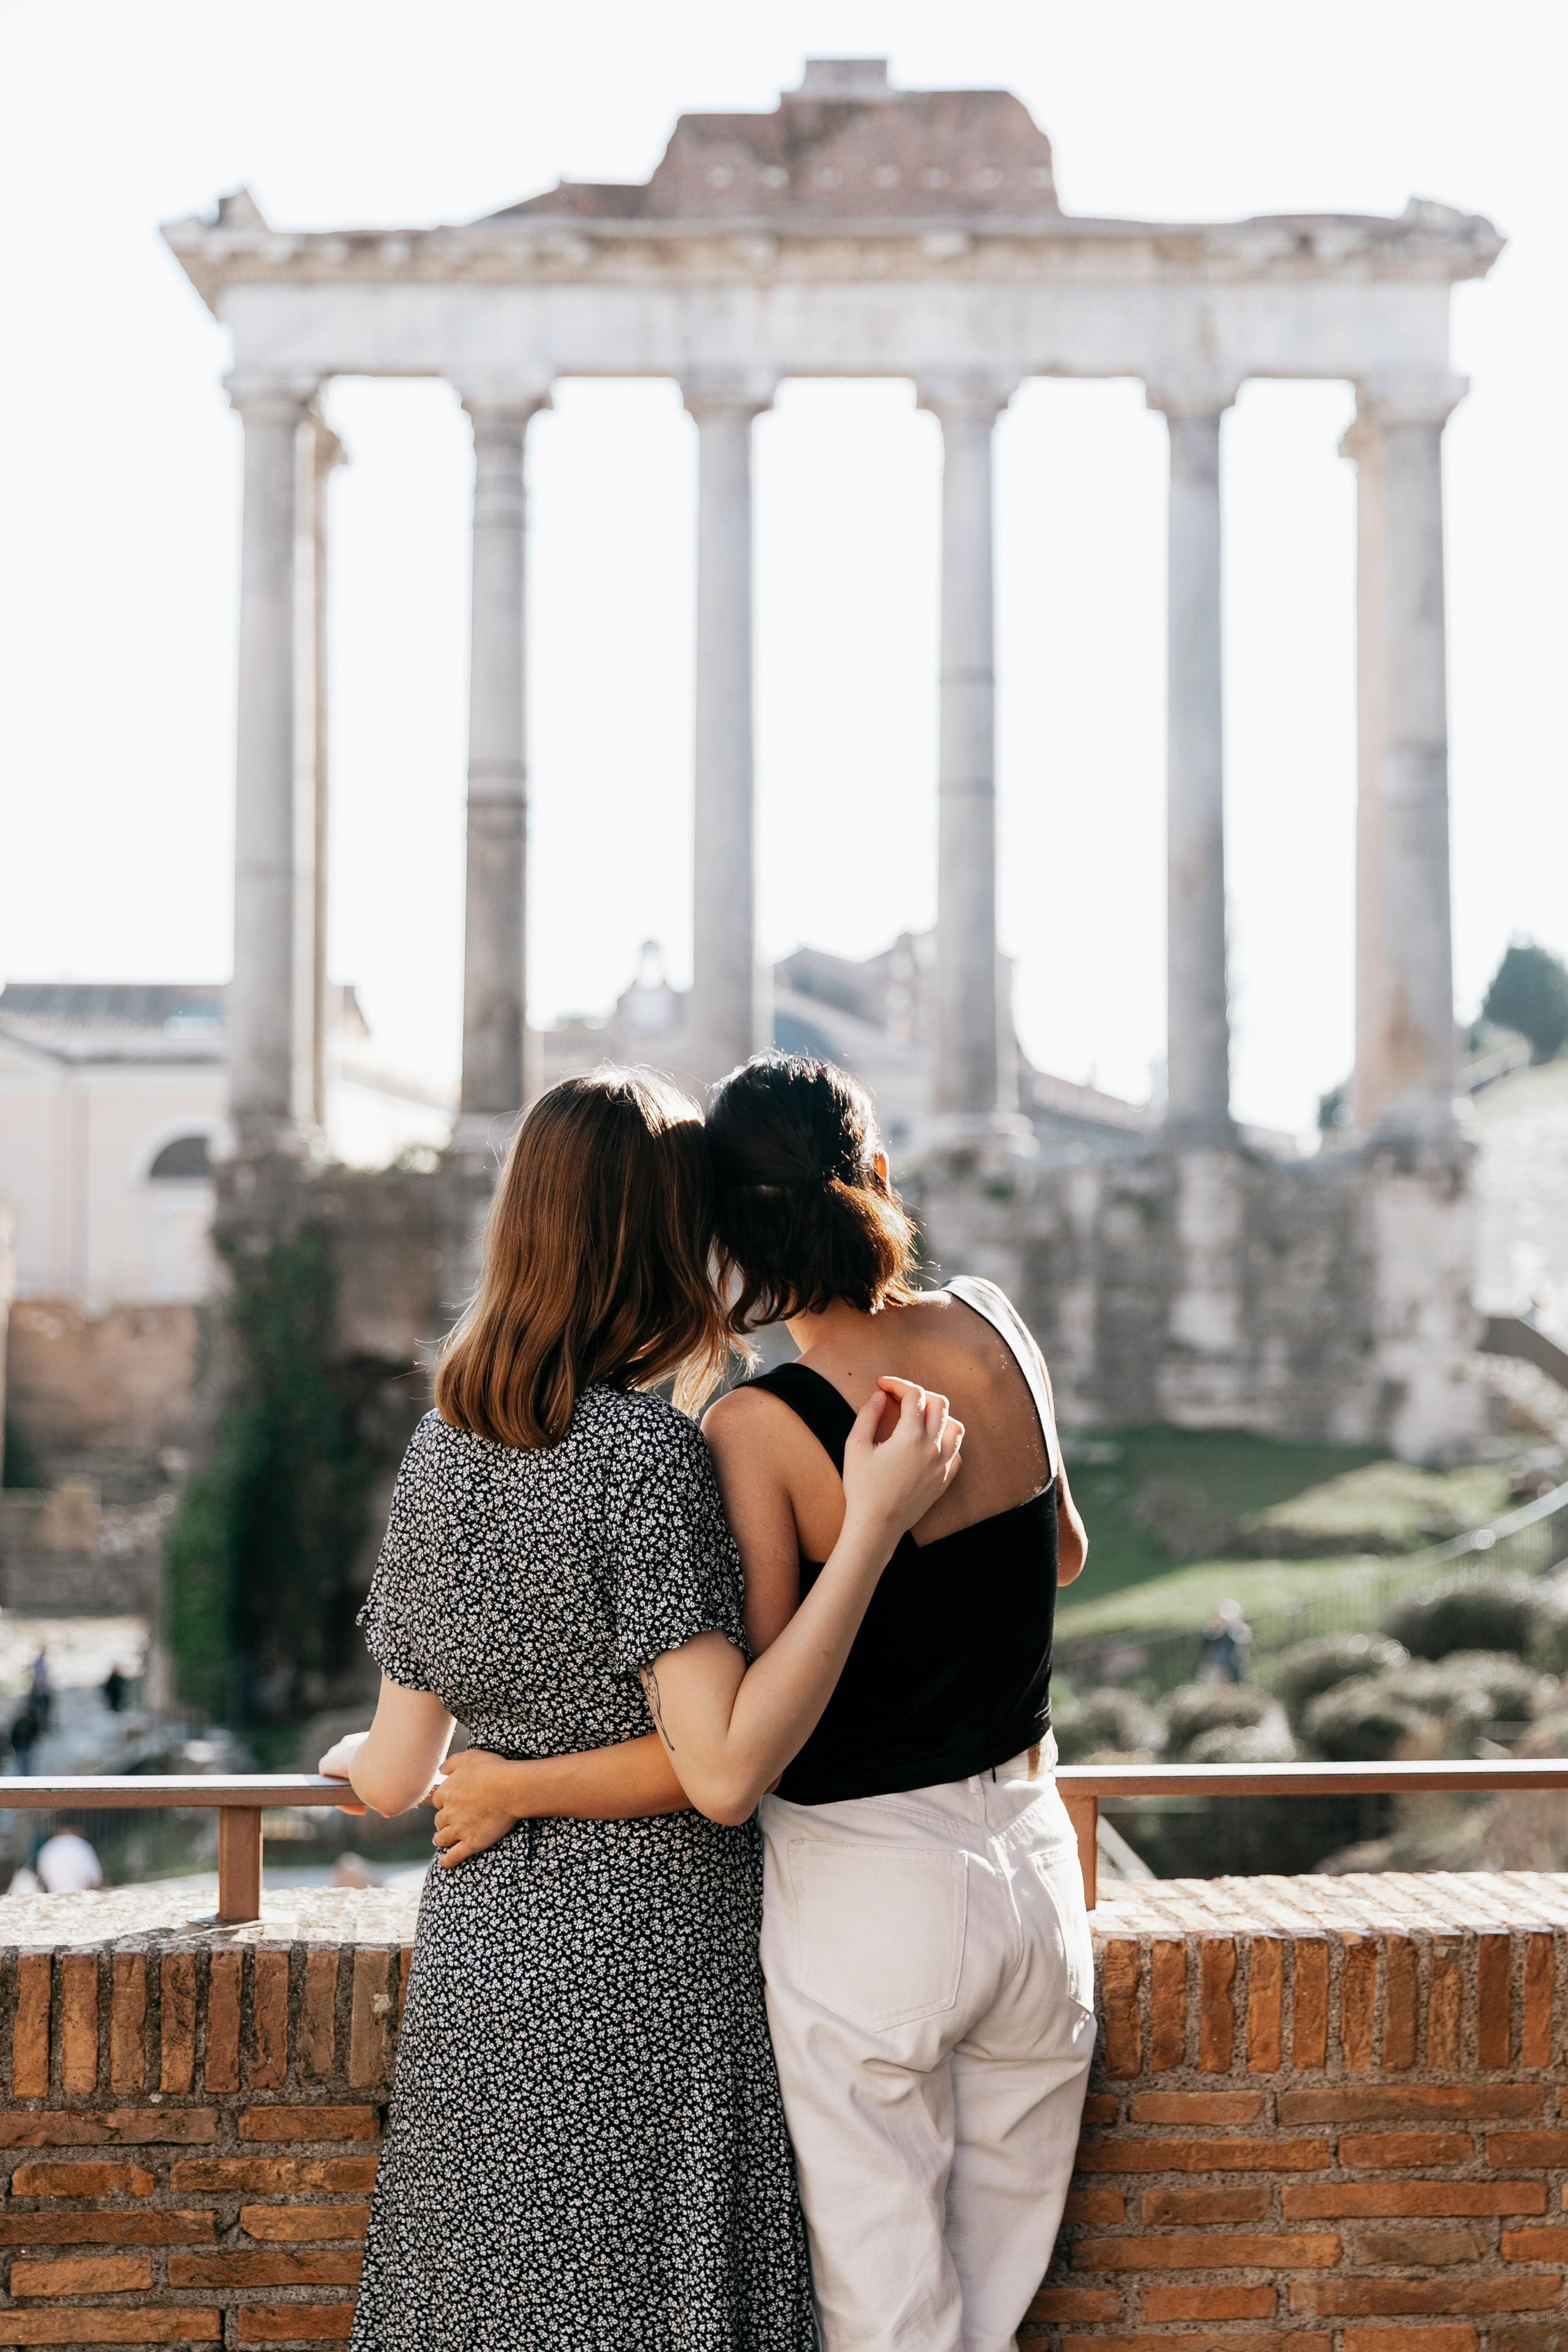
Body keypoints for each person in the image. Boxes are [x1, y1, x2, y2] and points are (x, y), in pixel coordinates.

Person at [432, 1053, 1093, 2352]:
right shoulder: (993, 1321)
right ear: (878, 1176)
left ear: (723, 1234)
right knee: (993, 2311)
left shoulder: (760, 1426)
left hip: (873, 1889)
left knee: (889, 2322)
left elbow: (746, 1741)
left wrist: (877, 1525)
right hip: (1033, 1868)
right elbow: (1062, 1551)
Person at [320, 1069, 961, 2352]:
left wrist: (430, 1770)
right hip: (652, 1965)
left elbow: (391, 1777)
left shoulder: (441, 1449)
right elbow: (715, 1764)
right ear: (672, 1240)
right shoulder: (655, 1462)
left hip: (483, 1974)